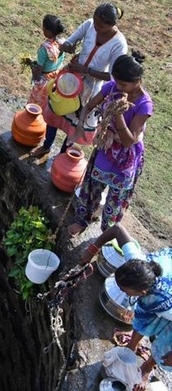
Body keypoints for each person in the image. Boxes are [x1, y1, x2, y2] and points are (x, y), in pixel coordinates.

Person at [79, 225, 171, 389]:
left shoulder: (166, 305)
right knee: (144, 313)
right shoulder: (138, 265)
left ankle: (147, 367)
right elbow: (117, 229)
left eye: (124, 290)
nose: (120, 291)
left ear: (142, 292)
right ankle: (131, 346)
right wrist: (92, 249)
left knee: (166, 343)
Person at [69, 52, 151, 236]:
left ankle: (106, 236)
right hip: (105, 149)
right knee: (91, 187)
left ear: (137, 80)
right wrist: (80, 127)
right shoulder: (112, 88)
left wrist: (118, 114)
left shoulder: (144, 105)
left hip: (126, 159)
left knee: (115, 201)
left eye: (124, 84)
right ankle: (83, 220)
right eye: (117, 82)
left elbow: (129, 140)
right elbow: (89, 106)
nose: (119, 87)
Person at [39, 2, 128, 155]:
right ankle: (46, 146)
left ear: (112, 25)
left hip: (91, 88)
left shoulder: (119, 44)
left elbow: (113, 77)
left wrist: (87, 71)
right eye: (95, 22)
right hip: (72, 78)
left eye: (100, 26)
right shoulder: (89, 24)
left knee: (74, 123)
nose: (96, 27)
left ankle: (62, 155)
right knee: (56, 110)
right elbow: (68, 42)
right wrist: (68, 47)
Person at [27, 14, 66, 111]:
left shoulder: (44, 49)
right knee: (48, 109)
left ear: (47, 30)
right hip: (55, 82)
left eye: (43, 27)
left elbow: (37, 74)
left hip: (43, 85)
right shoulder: (62, 44)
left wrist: (32, 65)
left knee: (35, 109)